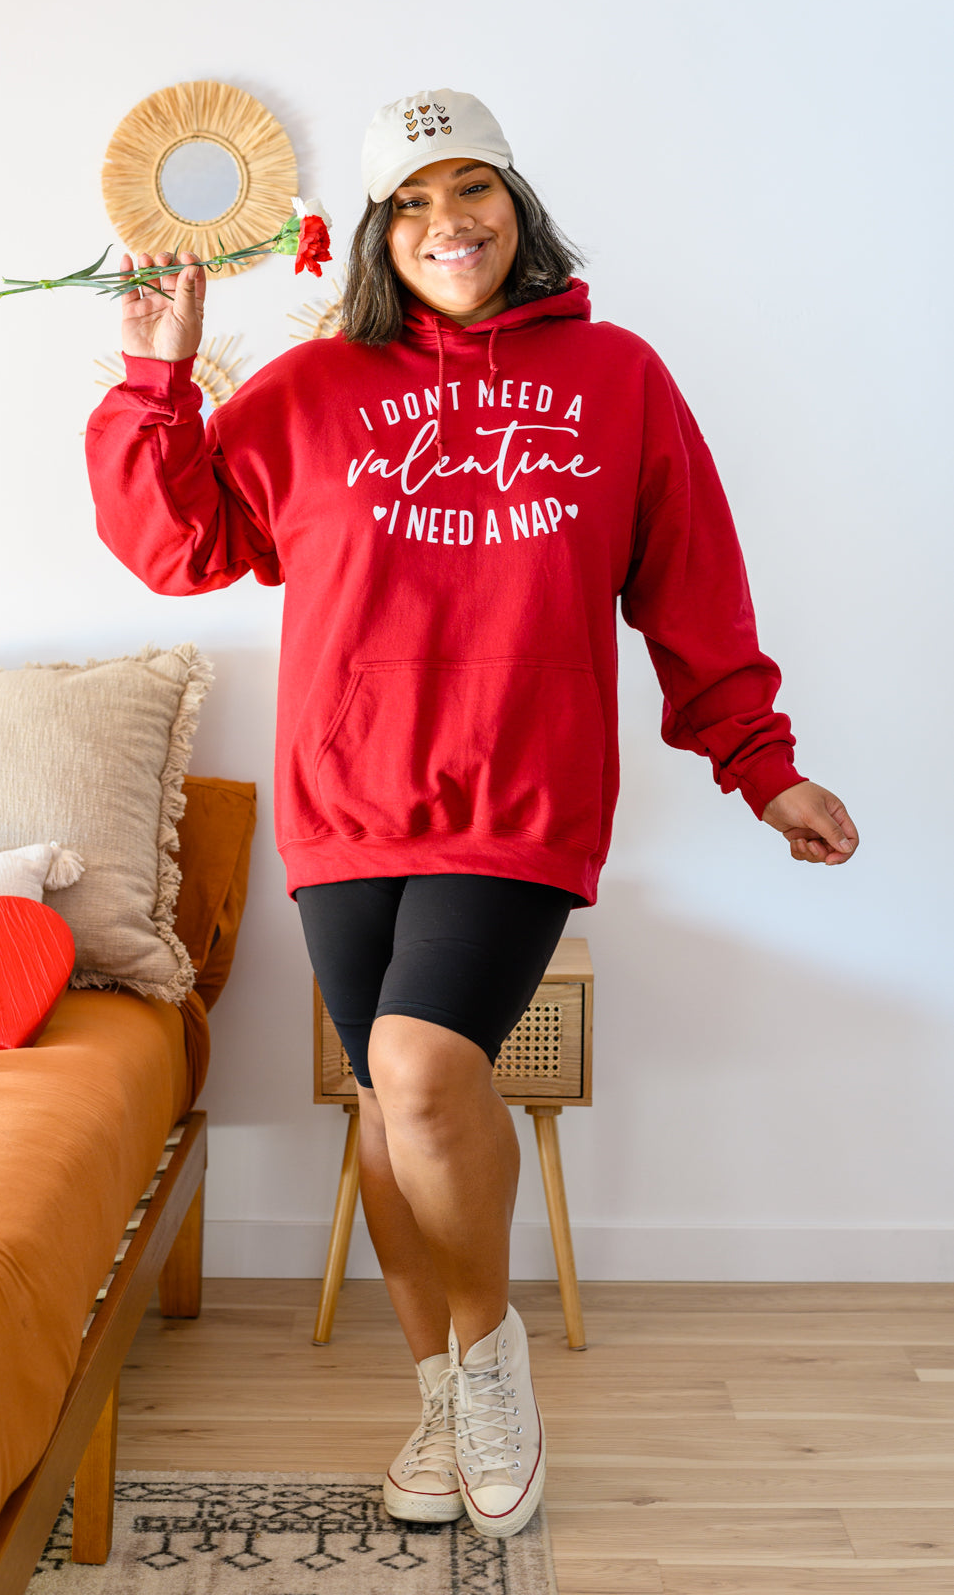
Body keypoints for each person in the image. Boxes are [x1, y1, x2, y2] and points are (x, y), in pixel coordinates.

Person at [86, 87, 859, 1539]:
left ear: (516, 201)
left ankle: (493, 1367)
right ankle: (439, 1396)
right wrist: (156, 378)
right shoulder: (315, 388)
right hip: (346, 796)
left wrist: (762, 767)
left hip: (520, 792)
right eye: (414, 202)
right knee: (390, 1105)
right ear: (379, 233)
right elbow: (179, 545)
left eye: (472, 188)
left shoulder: (618, 378)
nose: (448, 222)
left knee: (421, 1068)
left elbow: (689, 588)